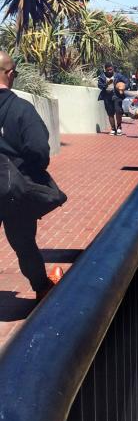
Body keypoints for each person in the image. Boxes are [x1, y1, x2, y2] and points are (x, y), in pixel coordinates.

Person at [0, 51, 61, 301]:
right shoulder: (21, 109)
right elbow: (38, 148)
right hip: (15, 190)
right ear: (11, 74)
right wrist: (31, 170)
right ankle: (41, 288)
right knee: (24, 243)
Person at [98, 62, 128, 135]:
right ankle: (113, 128)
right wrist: (107, 84)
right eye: (108, 70)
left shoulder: (118, 75)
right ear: (105, 70)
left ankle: (119, 127)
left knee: (118, 111)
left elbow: (127, 81)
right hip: (107, 96)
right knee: (110, 113)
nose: (109, 71)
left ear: (113, 69)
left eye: (111, 69)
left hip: (117, 96)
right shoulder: (102, 76)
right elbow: (100, 86)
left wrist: (123, 87)